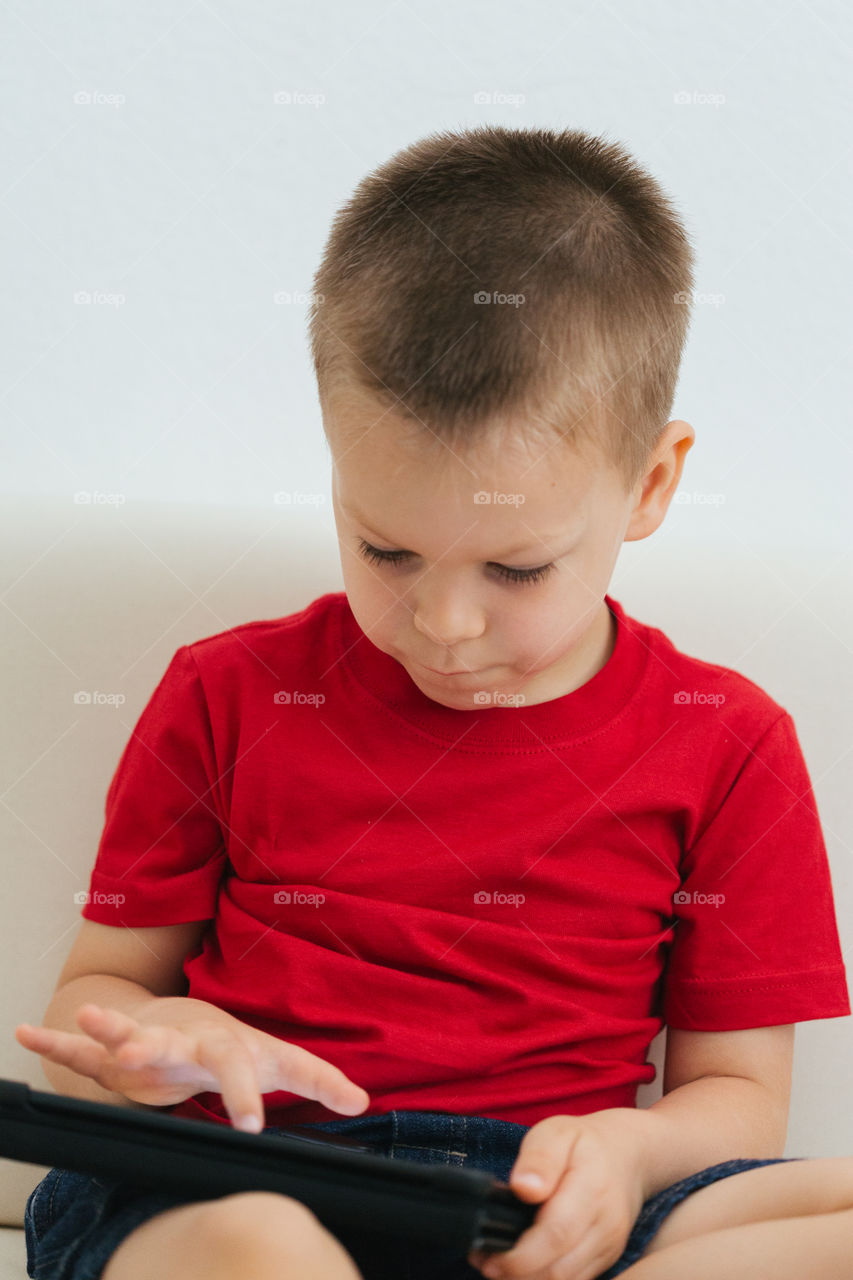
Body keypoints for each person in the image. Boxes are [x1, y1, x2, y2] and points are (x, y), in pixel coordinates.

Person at [16, 125, 853, 1280]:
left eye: (514, 569)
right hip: (247, 1173)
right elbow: (96, 993)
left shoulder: (729, 741)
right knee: (260, 1247)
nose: (442, 624)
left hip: (548, 1202)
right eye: (385, 546)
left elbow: (738, 1098)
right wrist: (170, 1043)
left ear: (650, 483)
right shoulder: (229, 689)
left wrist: (624, 1150)